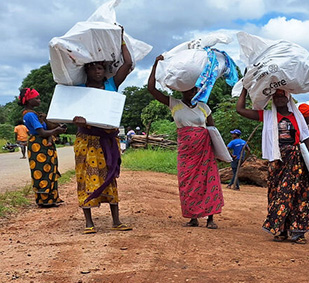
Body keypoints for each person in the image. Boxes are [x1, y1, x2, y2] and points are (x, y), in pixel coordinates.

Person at [235, 87, 309, 244]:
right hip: (276, 161)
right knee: (277, 194)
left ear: (288, 98)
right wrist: (245, 89)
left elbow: (307, 140)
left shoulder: (297, 118)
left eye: (283, 96)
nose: (280, 98)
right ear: (272, 99)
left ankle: (298, 231)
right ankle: (280, 230)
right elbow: (240, 109)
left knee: (297, 195)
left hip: (296, 161)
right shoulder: (267, 116)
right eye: (277, 96)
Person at [148, 54, 224, 229]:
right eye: (188, 90)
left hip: (204, 151)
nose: (191, 92)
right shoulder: (174, 104)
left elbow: (212, 130)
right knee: (187, 182)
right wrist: (155, 65)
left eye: (194, 89)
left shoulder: (204, 107)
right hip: (186, 152)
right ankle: (193, 217)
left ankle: (210, 218)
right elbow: (151, 89)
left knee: (208, 181)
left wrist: (219, 151)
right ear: (181, 90)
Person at [72, 31, 133, 234]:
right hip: (86, 140)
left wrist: (121, 39)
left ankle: (116, 220)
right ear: (86, 72)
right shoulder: (79, 89)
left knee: (110, 177)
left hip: (107, 139)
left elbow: (128, 63)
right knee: (86, 177)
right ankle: (89, 222)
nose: (97, 71)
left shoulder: (111, 85)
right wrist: (77, 120)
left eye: (100, 68)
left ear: (105, 70)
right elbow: (70, 112)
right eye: (93, 68)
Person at [20, 88, 66, 207]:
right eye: (37, 98)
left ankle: (52, 198)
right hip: (39, 145)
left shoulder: (32, 114)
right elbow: (42, 132)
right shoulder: (30, 115)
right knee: (43, 171)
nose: (39, 100)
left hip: (41, 144)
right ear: (29, 100)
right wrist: (56, 130)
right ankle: (45, 200)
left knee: (49, 169)